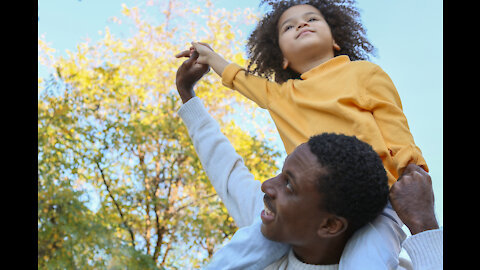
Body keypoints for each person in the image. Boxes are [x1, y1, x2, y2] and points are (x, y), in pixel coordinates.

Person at [175, 0, 430, 268]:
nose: (302, 24)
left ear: (335, 41)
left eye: (312, 19)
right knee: (240, 250)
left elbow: (394, 124)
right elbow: (239, 78)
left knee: (367, 262)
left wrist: (413, 171)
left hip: (378, 203)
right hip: (304, 207)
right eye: (289, 26)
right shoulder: (281, 96)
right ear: (283, 57)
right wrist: (209, 57)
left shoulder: (364, 74)